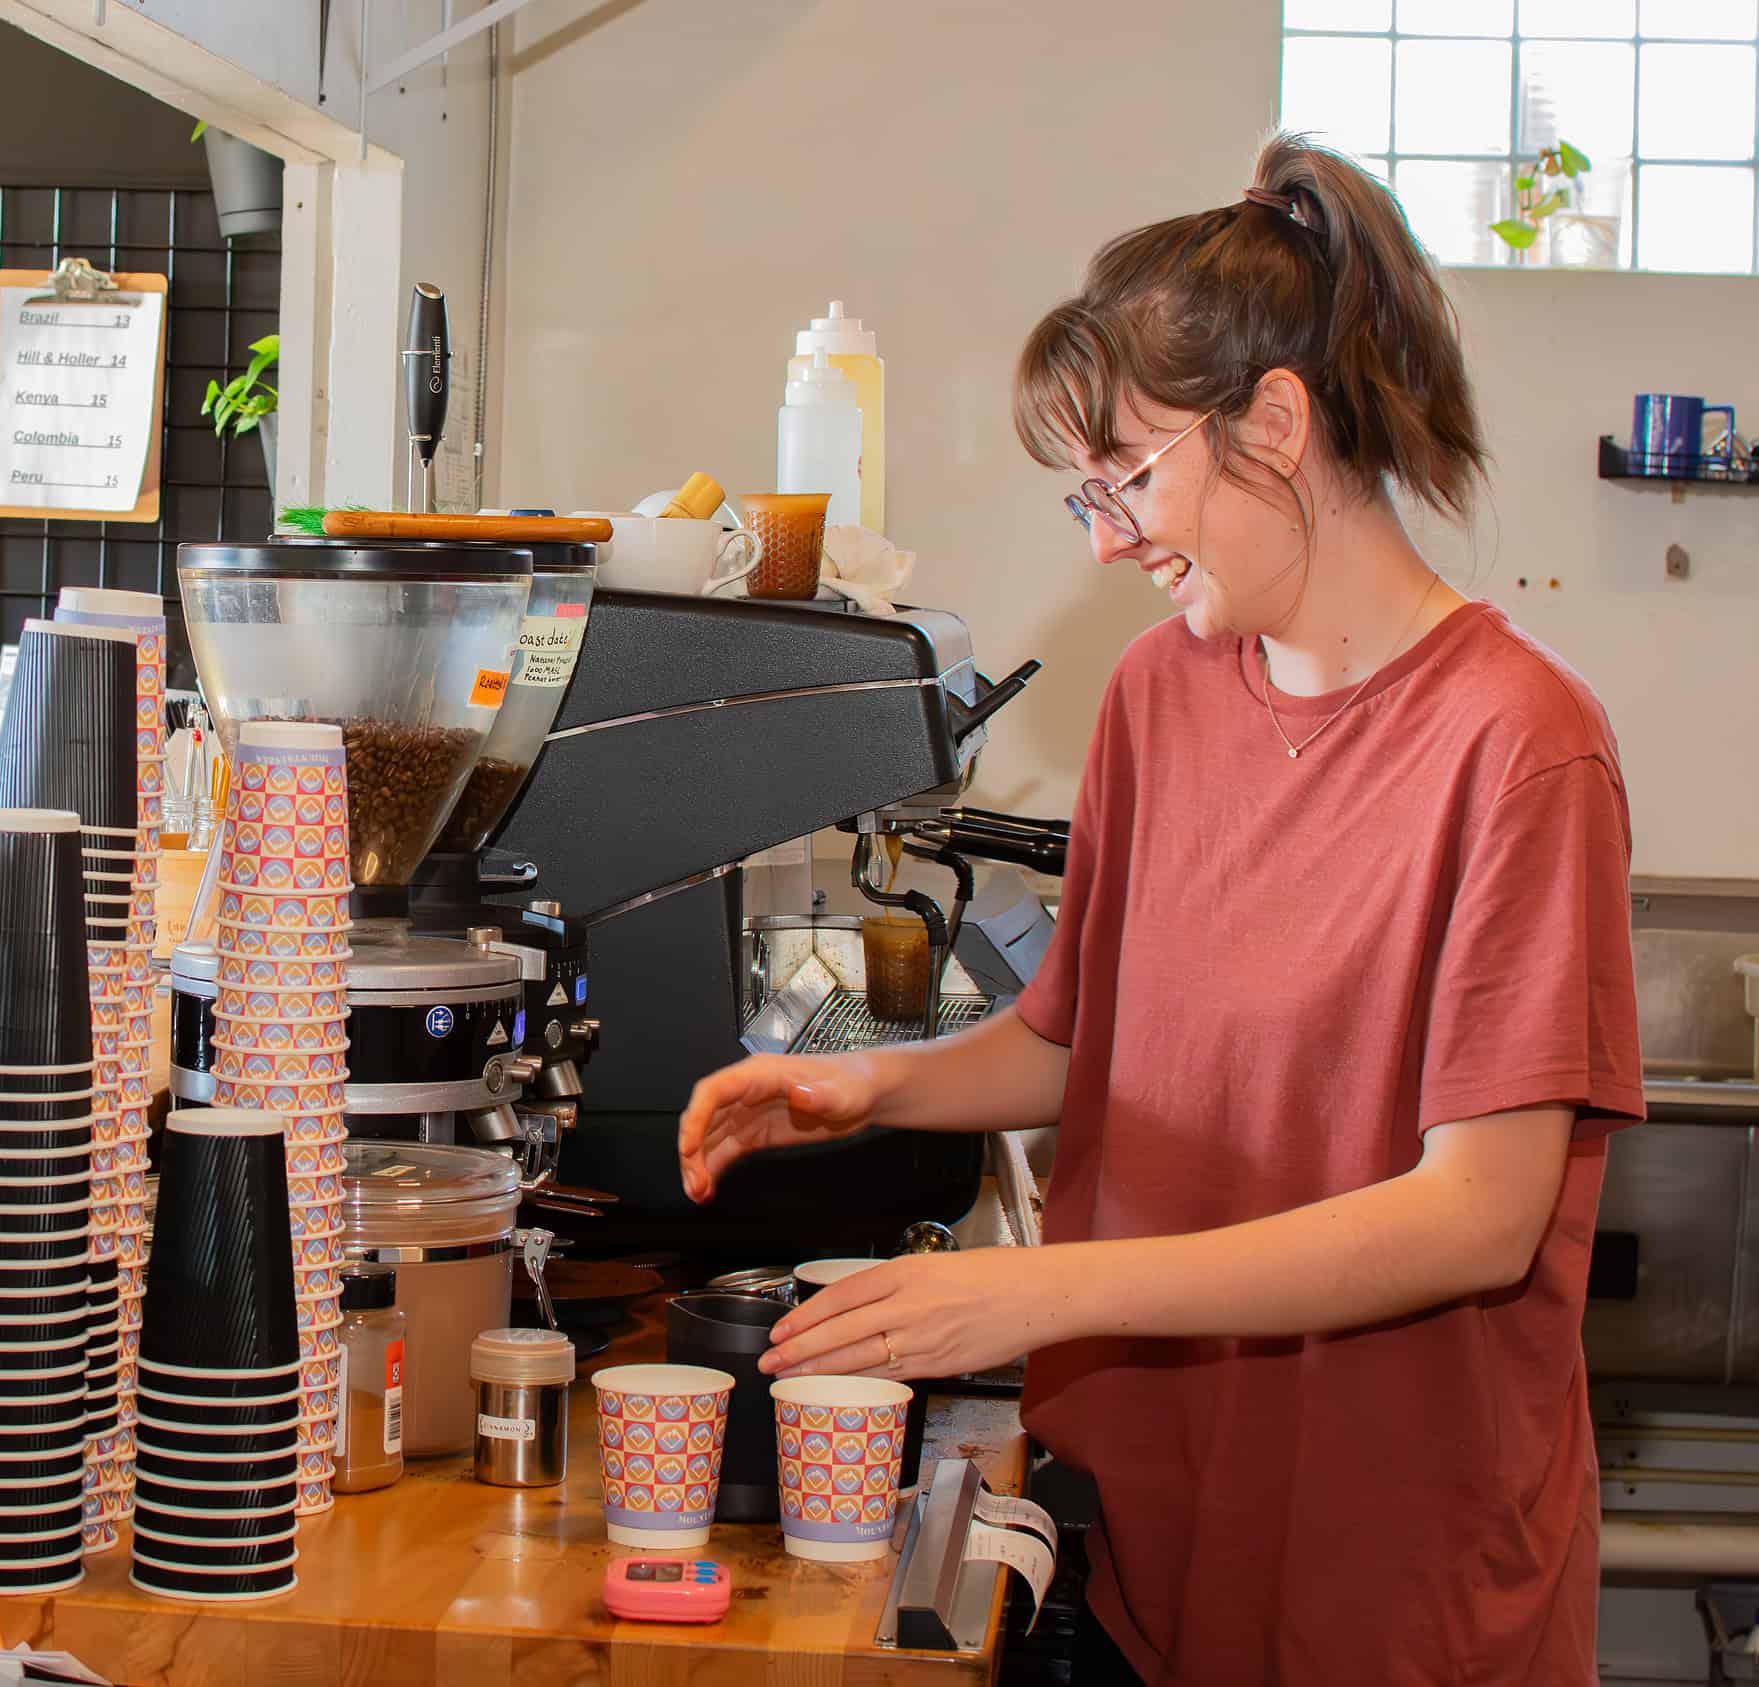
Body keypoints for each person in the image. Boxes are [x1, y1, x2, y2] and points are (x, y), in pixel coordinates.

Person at [677, 133, 1639, 1686]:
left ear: (1273, 419)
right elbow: (1080, 1040)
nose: (1112, 539)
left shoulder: (1517, 742)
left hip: (1392, 1568)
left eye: (1126, 477)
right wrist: (868, 1083)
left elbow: (1478, 1214)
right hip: (1148, 1529)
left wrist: (1030, 1290)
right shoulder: (1160, 692)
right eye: (1083, 500)